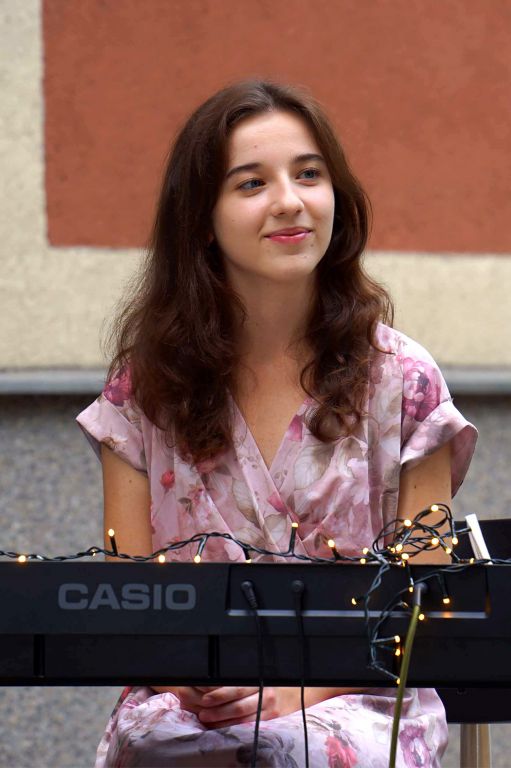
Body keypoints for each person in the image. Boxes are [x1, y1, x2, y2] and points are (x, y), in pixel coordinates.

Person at [77, 80, 477, 767]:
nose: (289, 201)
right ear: (201, 219)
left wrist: (295, 694)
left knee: (297, 751)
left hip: (360, 694)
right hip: (190, 697)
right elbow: (128, 594)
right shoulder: (144, 390)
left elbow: (423, 600)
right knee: (166, 748)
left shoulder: (405, 381)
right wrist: (194, 679)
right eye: (251, 183)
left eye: (309, 174)